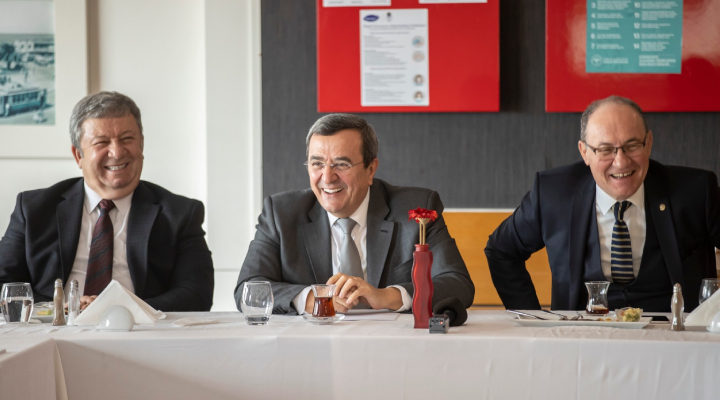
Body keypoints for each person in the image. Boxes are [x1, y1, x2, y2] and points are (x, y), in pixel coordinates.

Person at [485, 96, 720, 312]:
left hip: (674, 336)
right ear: (584, 152)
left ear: (648, 143)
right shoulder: (552, 195)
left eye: (632, 146)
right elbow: (501, 251)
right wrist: (532, 318)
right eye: (606, 150)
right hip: (582, 335)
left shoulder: (696, 192)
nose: (621, 162)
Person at [235, 113, 474, 315]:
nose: (327, 178)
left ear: (371, 170)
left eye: (342, 164)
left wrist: (387, 296)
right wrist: (311, 299)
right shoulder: (281, 213)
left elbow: (457, 284)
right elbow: (247, 289)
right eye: (317, 164)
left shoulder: (417, 208)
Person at [0, 91, 214, 311]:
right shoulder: (33, 209)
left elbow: (197, 294)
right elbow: (3, 284)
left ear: (141, 145)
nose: (117, 152)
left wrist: (122, 308)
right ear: (78, 155)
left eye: (127, 139)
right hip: (55, 326)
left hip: (139, 327)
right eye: (101, 142)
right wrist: (60, 308)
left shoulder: (180, 213)